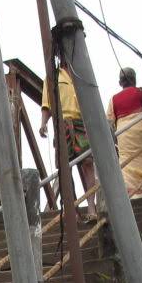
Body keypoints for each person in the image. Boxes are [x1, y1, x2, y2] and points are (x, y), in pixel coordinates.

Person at [39, 64, 98, 215]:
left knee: (88, 163)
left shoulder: (80, 73)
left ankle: (91, 206)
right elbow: (46, 103)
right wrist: (43, 123)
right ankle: (72, 208)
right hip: (62, 123)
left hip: (81, 123)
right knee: (65, 167)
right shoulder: (52, 76)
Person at [106, 67, 142, 199]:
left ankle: (132, 197)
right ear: (134, 79)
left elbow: (109, 123)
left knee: (127, 165)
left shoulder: (113, 99)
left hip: (124, 134)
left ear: (120, 82)